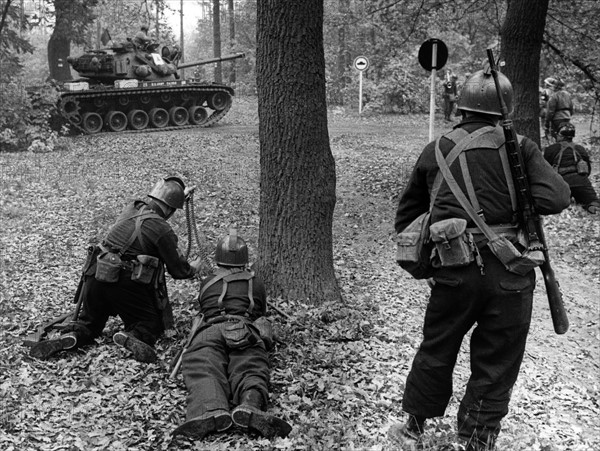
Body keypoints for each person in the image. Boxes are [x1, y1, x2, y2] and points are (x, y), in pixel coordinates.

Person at [391, 69, 570, 450]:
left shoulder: (437, 149)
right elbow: (557, 197)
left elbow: (407, 217)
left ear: (462, 107)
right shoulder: (520, 147)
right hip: (511, 272)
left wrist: (429, 261)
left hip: (453, 269)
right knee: (498, 358)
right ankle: (477, 437)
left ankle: (415, 425)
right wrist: (520, 201)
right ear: (504, 110)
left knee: (437, 346)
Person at [29, 176, 205, 363]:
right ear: (170, 209)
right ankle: (132, 336)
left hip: (96, 272)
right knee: (149, 324)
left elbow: (160, 202)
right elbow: (178, 271)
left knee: (91, 323)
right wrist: (193, 269)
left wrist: (178, 195)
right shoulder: (162, 229)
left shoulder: (132, 208)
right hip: (124, 282)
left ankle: (75, 335)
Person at [172, 230, 292, 441]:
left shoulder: (207, 282)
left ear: (219, 260)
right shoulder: (257, 283)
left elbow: (203, 305)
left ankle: (210, 411)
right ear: (244, 260)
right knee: (251, 365)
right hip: (244, 329)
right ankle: (250, 405)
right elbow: (260, 312)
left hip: (209, 329)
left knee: (203, 366)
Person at [543, 123, 599, 214]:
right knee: (593, 201)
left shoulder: (550, 149)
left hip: (561, 183)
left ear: (560, 136)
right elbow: (588, 169)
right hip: (582, 182)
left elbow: (545, 171)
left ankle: (564, 202)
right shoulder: (580, 149)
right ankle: (591, 206)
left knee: (556, 203)